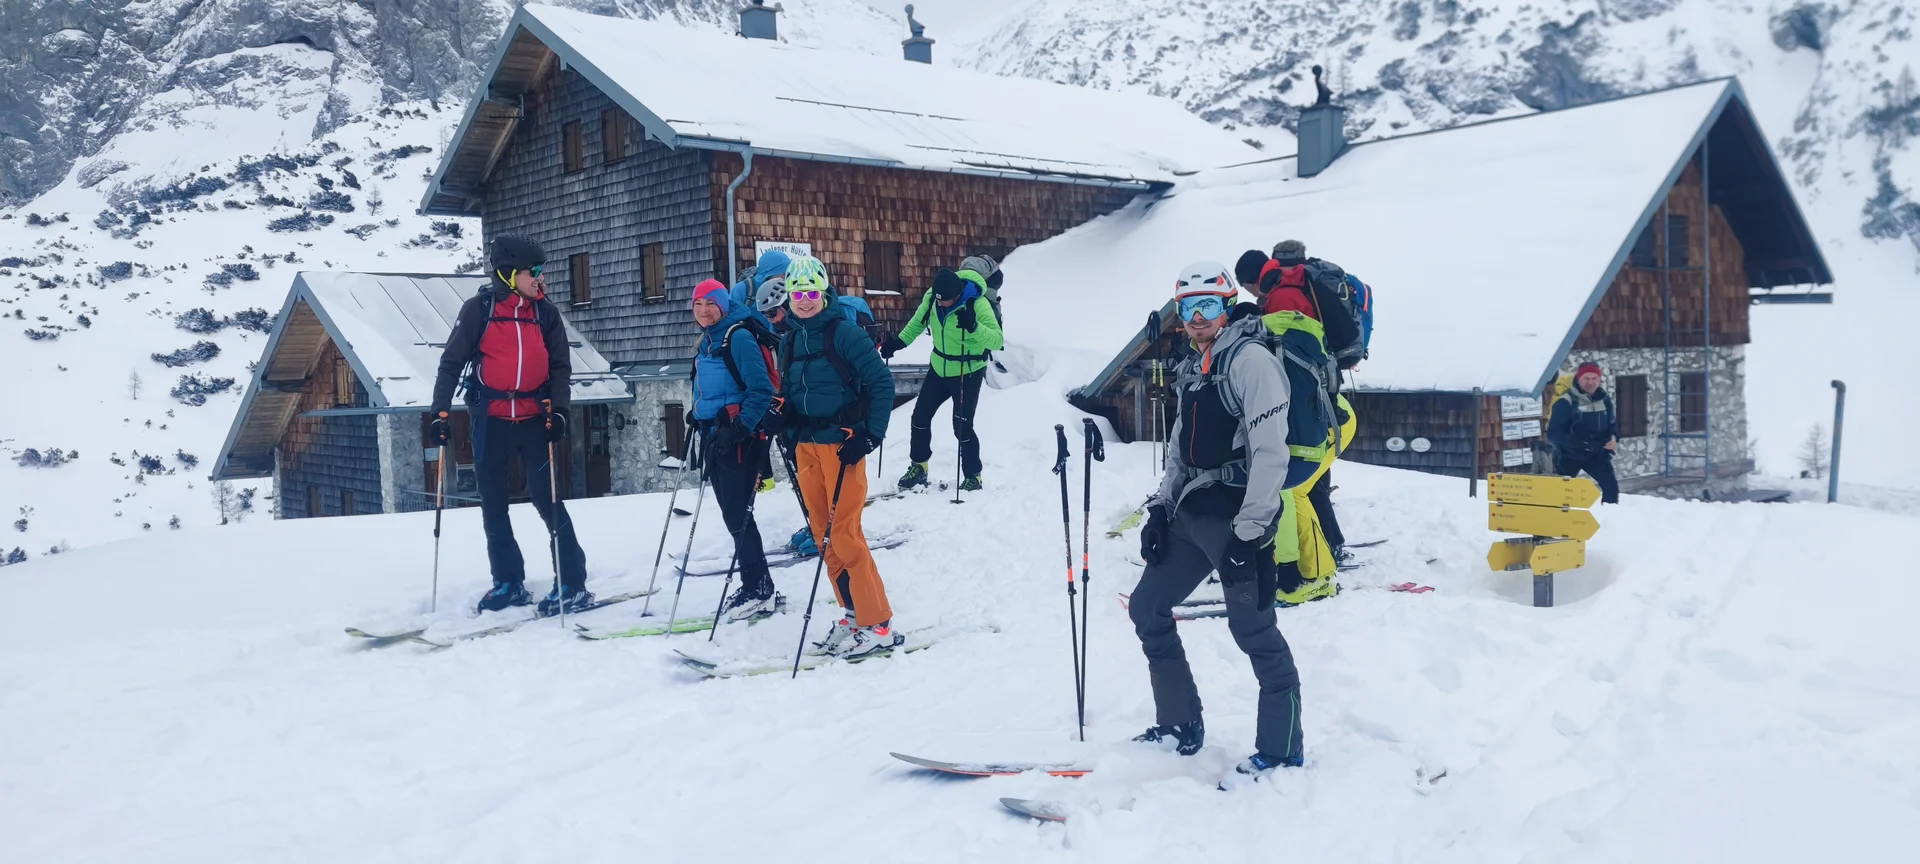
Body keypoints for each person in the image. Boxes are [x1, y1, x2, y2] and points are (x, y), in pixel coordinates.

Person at [1129, 261, 1305, 786]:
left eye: (1207, 305)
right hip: (1190, 515)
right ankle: (1179, 723)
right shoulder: (1194, 366)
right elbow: (1181, 448)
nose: (1197, 317)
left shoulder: (1251, 363)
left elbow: (1272, 454)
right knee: (1147, 607)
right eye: (1187, 308)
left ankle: (1281, 750)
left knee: (1253, 631)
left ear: (1228, 306)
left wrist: (1250, 534)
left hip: (1235, 518)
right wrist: (1161, 508)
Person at [428, 234, 591, 616]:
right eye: (532, 271)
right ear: (508, 274)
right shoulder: (478, 311)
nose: (540, 278)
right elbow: (450, 363)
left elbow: (560, 367)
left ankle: (572, 583)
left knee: (547, 500)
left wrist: (561, 411)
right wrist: (439, 414)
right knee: (494, 505)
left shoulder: (545, 314)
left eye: (541, 271)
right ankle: (508, 582)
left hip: (535, 419)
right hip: (490, 421)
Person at [778, 255, 901, 658]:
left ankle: (878, 623)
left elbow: (882, 383)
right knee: (822, 535)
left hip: (842, 445)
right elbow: (793, 392)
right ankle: (852, 613)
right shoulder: (790, 339)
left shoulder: (845, 333)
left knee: (845, 533)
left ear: (824, 291)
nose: (805, 300)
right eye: (798, 293)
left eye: (812, 291)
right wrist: (785, 415)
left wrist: (870, 435)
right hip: (807, 446)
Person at [691, 278, 783, 622]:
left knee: (738, 513)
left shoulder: (738, 337)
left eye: (710, 303)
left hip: (737, 439)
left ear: (723, 305)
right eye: (698, 304)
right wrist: (697, 412)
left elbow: (760, 390)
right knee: (735, 514)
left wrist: (741, 428)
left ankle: (758, 586)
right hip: (716, 434)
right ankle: (757, 584)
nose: (703, 310)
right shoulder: (709, 338)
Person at [881, 265, 1003, 491]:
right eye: (938, 300)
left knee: (962, 427)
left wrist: (974, 327)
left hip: (968, 370)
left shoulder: (978, 304)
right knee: (919, 418)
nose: (941, 304)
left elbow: (997, 341)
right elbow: (918, 323)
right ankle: (919, 466)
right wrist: (898, 343)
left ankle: (973, 476)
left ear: (957, 295)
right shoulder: (932, 298)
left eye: (945, 301)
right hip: (939, 368)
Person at [1548, 361, 1621, 503]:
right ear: (1578, 379)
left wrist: (1614, 437)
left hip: (1597, 454)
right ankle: (1558, 521)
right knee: (1560, 493)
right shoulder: (1566, 402)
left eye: (1594, 379)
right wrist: (1580, 444)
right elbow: (1554, 433)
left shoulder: (1604, 399)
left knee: (1611, 488)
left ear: (1600, 380)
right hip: (1569, 456)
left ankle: (1609, 521)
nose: (1590, 383)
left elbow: (1613, 423)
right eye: (1586, 378)